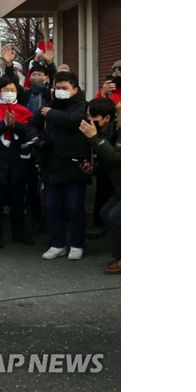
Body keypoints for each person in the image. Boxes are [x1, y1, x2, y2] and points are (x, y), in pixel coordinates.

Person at [27, 71, 91, 260]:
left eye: (65, 88)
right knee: (52, 206)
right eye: (57, 88)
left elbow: (74, 122)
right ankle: (57, 243)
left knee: (75, 206)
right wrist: (35, 136)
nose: (60, 91)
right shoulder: (49, 106)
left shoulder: (82, 106)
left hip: (75, 164)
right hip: (51, 164)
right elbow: (31, 124)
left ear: (75, 89)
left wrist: (51, 113)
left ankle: (77, 244)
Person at [0, 76, 35, 248]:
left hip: (17, 163)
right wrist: (4, 123)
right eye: (6, 90)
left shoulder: (24, 111)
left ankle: (18, 233)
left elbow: (29, 133)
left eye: (12, 90)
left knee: (18, 201)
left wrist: (15, 125)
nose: (9, 93)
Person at [79, 98, 121, 274]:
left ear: (107, 118)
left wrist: (94, 138)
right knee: (106, 213)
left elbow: (116, 158)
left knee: (114, 216)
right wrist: (93, 168)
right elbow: (107, 162)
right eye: (88, 116)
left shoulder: (121, 132)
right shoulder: (106, 132)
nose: (90, 121)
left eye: (94, 117)